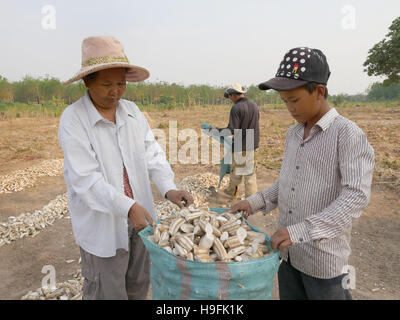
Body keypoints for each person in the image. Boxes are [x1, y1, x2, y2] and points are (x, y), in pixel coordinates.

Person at [230, 47, 374, 300]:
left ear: (319, 92)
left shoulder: (346, 134)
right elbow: (287, 182)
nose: (289, 108)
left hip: (324, 266)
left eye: (294, 100)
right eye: (284, 101)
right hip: (289, 257)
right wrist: (254, 202)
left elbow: (355, 196)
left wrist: (299, 232)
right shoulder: (294, 134)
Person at [58, 36, 193, 300]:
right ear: (87, 81)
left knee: (138, 285)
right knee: (107, 291)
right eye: (107, 84)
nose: (115, 92)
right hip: (103, 226)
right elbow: (86, 180)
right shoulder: (74, 120)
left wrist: (169, 189)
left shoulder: (132, 112)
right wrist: (128, 207)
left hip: (141, 220)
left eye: (121, 84)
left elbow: (152, 154)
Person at [208, 83, 260, 199]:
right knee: (250, 175)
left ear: (233, 95)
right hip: (253, 144)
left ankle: (232, 193)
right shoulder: (254, 106)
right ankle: (252, 200)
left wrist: (215, 131)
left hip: (240, 146)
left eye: (229, 96)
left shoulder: (236, 108)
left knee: (235, 172)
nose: (230, 99)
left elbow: (231, 130)